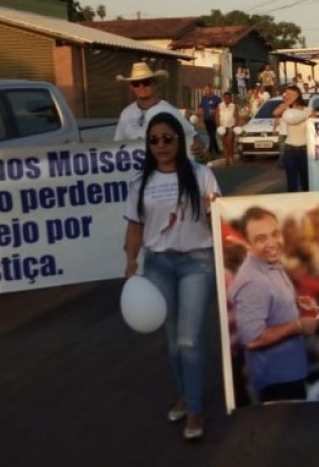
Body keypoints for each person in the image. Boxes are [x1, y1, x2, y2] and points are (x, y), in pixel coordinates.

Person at [123, 112, 220, 440]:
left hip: (197, 263)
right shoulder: (141, 182)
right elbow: (135, 226)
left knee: (189, 338)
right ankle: (182, 394)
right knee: (173, 339)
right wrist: (130, 259)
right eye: (154, 140)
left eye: (167, 138)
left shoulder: (202, 174)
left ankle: (194, 408)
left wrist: (217, 210)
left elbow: (218, 218)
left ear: (179, 139)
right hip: (158, 265)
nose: (161, 145)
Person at [229, 206, 319, 402]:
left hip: (290, 370)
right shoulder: (252, 282)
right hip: (276, 381)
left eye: (275, 234)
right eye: (261, 238)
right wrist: (298, 326)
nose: (272, 243)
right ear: (248, 243)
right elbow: (252, 339)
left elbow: (269, 297)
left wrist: (295, 301)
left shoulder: (269, 262)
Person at [114, 62, 203, 157]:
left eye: (146, 82)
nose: (141, 87)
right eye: (136, 84)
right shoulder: (126, 113)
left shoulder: (169, 111)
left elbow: (192, 135)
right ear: (131, 87)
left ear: (155, 84)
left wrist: (198, 143)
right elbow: (117, 144)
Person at [273, 86, 310, 192]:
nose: (286, 96)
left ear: (296, 94)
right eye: (286, 94)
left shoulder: (307, 110)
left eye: (289, 93)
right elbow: (275, 113)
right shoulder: (286, 110)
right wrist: (289, 101)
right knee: (292, 182)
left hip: (305, 150)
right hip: (290, 149)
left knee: (306, 182)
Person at [198, 85, 222, 156]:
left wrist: (216, 111)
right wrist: (200, 111)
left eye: (207, 90)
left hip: (214, 119)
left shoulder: (216, 99)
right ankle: (216, 150)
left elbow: (221, 107)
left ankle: (210, 150)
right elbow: (200, 106)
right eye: (205, 90)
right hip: (206, 119)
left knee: (212, 134)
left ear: (211, 90)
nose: (206, 91)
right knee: (211, 135)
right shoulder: (204, 98)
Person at [217, 92, 239, 166]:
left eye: (228, 98)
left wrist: (235, 126)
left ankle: (231, 157)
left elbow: (236, 117)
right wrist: (219, 125)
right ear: (223, 98)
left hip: (230, 126)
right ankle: (226, 159)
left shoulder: (233, 106)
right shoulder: (220, 106)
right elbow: (217, 116)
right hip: (222, 127)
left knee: (229, 142)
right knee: (225, 144)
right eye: (225, 98)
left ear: (230, 98)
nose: (227, 99)